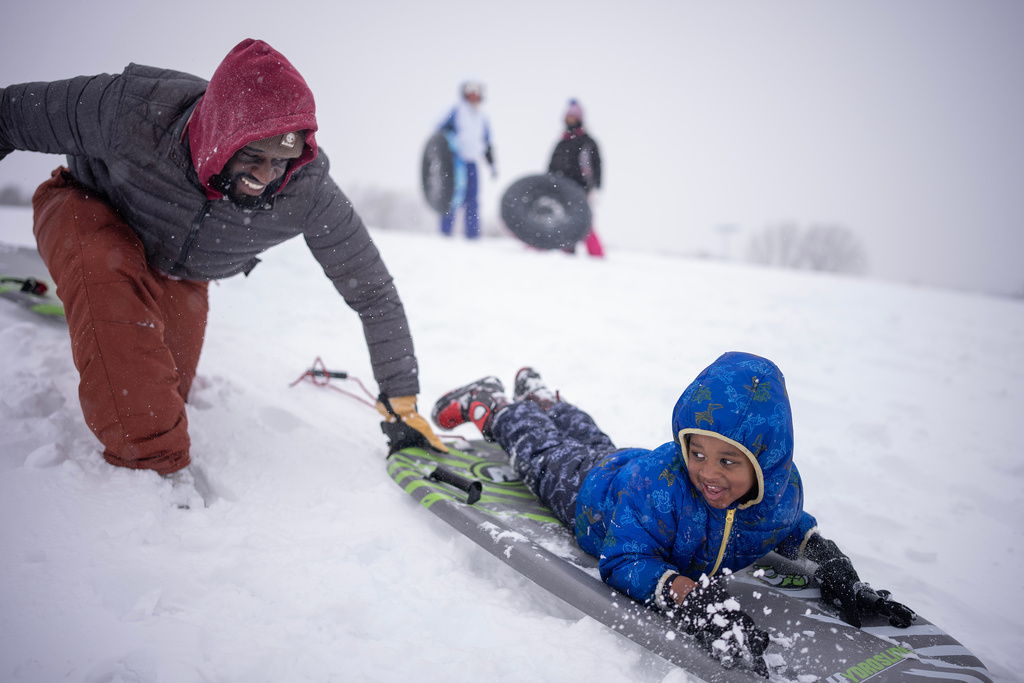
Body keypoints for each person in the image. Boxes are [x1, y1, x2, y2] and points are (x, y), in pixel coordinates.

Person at [0, 38, 447, 490]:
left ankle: (108, 308)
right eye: (253, 155)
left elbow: (372, 290)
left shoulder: (306, 190)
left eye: (280, 160)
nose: (266, 175)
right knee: (139, 406)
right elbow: (8, 115)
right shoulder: (132, 109)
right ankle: (152, 475)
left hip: (175, 269)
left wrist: (401, 400)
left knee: (166, 388)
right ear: (219, 130)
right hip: (89, 210)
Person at [430, 352, 916, 676]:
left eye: (728, 461)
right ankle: (493, 405)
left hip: (626, 465)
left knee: (596, 442)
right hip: (593, 495)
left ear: (766, 464)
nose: (708, 473)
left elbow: (794, 531)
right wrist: (691, 598)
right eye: (697, 453)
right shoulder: (663, 484)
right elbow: (623, 560)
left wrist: (835, 572)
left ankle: (543, 398)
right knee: (544, 452)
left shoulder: (777, 496)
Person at [437, 80, 496, 239]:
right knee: (452, 196)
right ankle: (445, 233)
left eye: (476, 92)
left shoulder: (482, 117)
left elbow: (486, 143)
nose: (473, 96)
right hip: (456, 162)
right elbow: (440, 132)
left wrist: (492, 164)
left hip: (472, 162)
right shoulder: (456, 111)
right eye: (470, 92)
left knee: (473, 200)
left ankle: (472, 236)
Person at [548, 99, 603, 257]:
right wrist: (548, 184)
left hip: (582, 189)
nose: (570, 121)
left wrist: (596, 187)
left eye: (573, 118)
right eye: (568, 118)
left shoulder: (588, 142)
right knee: (565, 221)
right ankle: (567, 253)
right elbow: (552, 166)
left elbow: (597, 166)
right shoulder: (561, 143)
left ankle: (597, 255)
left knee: (585, 223)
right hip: (561, 189)